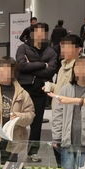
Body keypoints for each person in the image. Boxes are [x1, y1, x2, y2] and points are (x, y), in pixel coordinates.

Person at [51, 56, 85, 169]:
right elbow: (58, 114)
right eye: (77, 66)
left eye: (83, 67)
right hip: (68, 142)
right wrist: (56, 137)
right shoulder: (66, 89)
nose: (79, 69)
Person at [16, 23, 58, 161]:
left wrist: (31, 66)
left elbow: (50, 71)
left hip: (40, 91)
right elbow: (21, 66)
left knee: (36, 123)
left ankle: (32, 152)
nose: (40, 35)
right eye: (37, 32)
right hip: (23, 90)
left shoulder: (51, 51)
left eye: (43, 32)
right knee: (17, 120)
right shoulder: (23, 48)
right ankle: (13, 150)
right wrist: (42, 64)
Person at [45, 34, 83, 165]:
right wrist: (52, 87)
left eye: (68, 47)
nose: (64, 50)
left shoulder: (79, 69)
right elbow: (62, 89)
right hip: (59, 117)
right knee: (61, 160)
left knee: (69, 164)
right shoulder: (63, 66)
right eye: (62, 47)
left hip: (69, 123)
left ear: (79, 49)